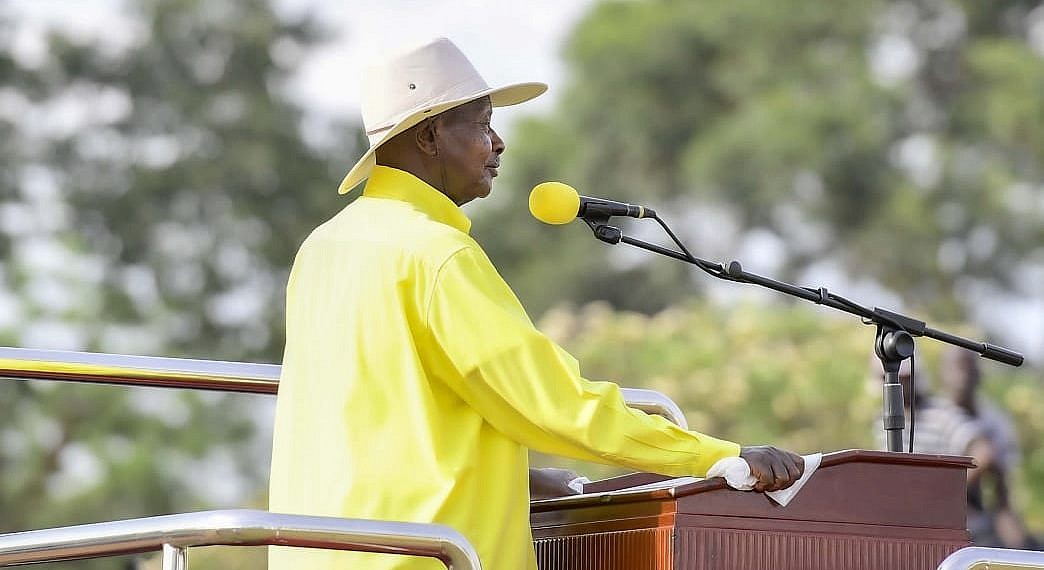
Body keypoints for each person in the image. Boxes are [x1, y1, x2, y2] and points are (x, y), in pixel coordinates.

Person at [268, 37, 804, 570]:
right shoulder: (436, 254)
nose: (498, 143)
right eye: (481, 124)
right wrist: (717, 458)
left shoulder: (322, 247)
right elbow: (555, 405)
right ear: (430, 136)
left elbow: (382, 425)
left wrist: (515, 478)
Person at [940, 347, 1033, 549]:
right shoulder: (934, 415)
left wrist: (1008, 522)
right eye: (957, 368)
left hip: (975, 510)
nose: (962, 377)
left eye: (968, 369)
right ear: (944, 374)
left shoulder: (995, 422)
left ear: (978, 375)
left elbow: (1000, 481)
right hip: (936, 508)